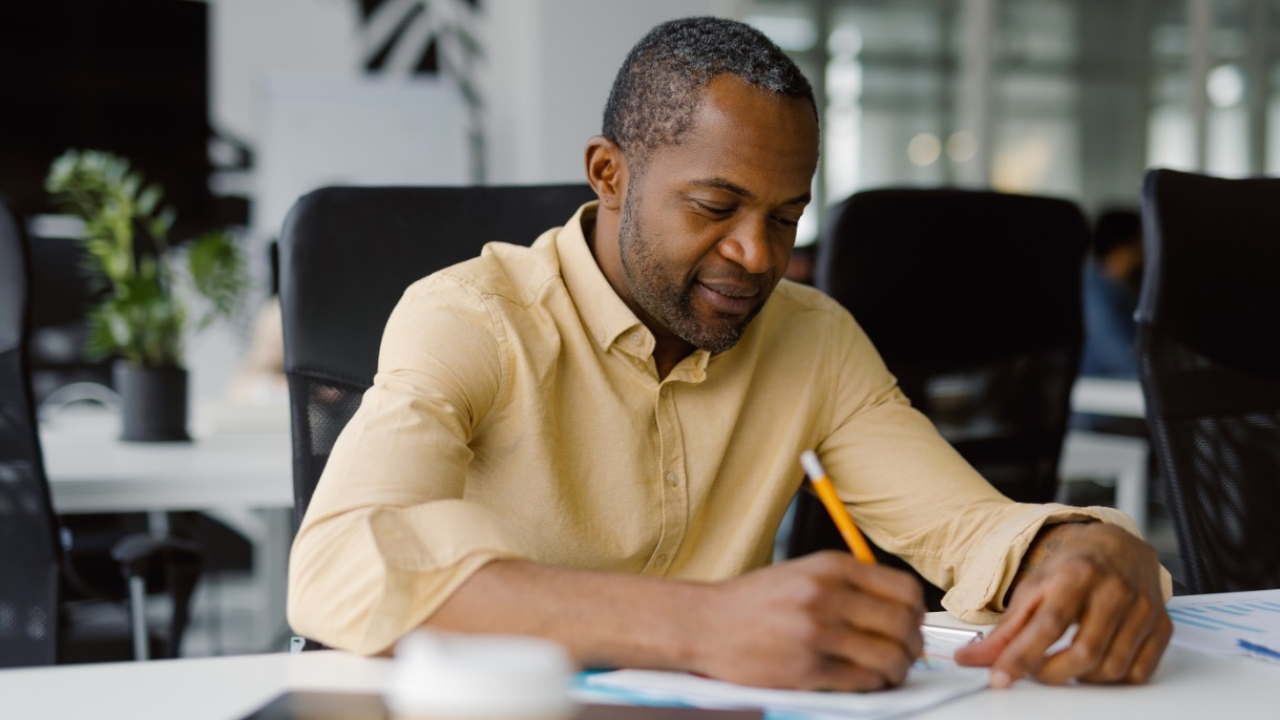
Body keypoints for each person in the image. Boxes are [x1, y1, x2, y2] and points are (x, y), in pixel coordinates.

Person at [289, 17, 1171, 692]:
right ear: (609, 173)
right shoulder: (471, 318)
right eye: (716, 206)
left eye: (786, 217)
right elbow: (337, 568)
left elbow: (967, 528)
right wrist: (703, 624)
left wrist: (1081, 545)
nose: (759, 255)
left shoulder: (813, 336)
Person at [1079, 208, 1144, 379]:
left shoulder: (1123, 288)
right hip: (1102, 395)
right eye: (1142, 237)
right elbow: (1116, 358)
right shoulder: (1093, 292)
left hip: (1122, 390)